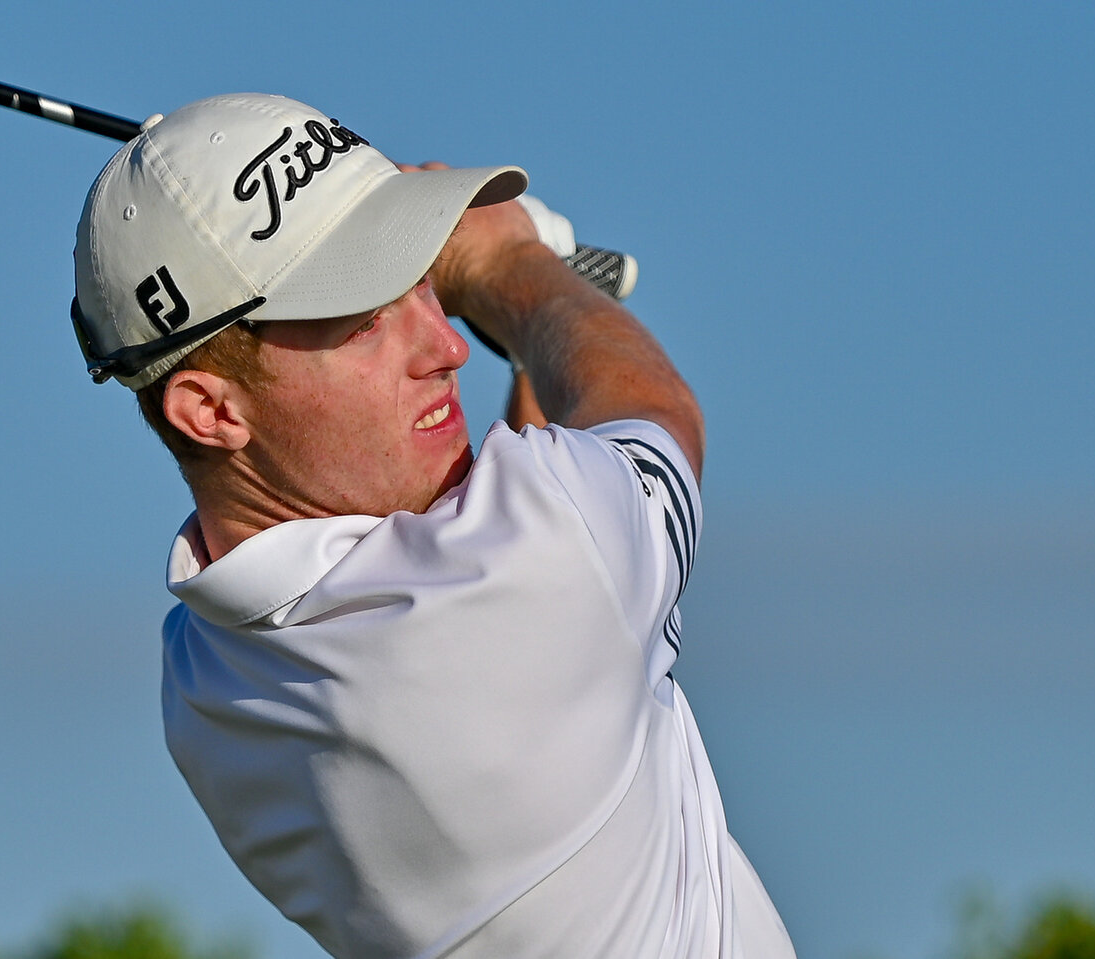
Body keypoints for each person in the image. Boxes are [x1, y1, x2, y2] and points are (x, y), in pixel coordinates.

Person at [70, 93, 795, 958]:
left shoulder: (202, 685)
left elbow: (519, 528)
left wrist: (513, 331)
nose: (447, 346)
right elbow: (652, 414)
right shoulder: (537, 573)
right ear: (212, 410)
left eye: (422, 284)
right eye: (366, 321)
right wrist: (508, 265)